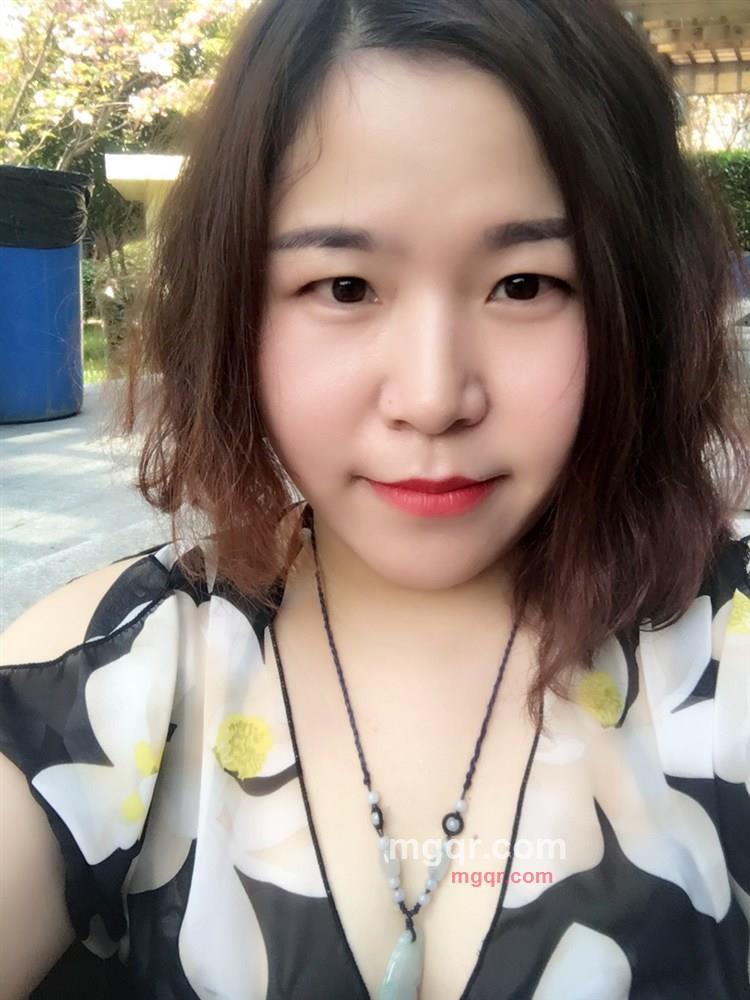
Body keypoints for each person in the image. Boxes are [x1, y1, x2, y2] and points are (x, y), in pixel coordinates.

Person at [1, 0, 749, 997]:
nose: (434, 397)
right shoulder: (102, 678)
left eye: (526, 284)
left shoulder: (726, 653)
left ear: (637, 306)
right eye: (346, 288)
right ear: (235, 309)